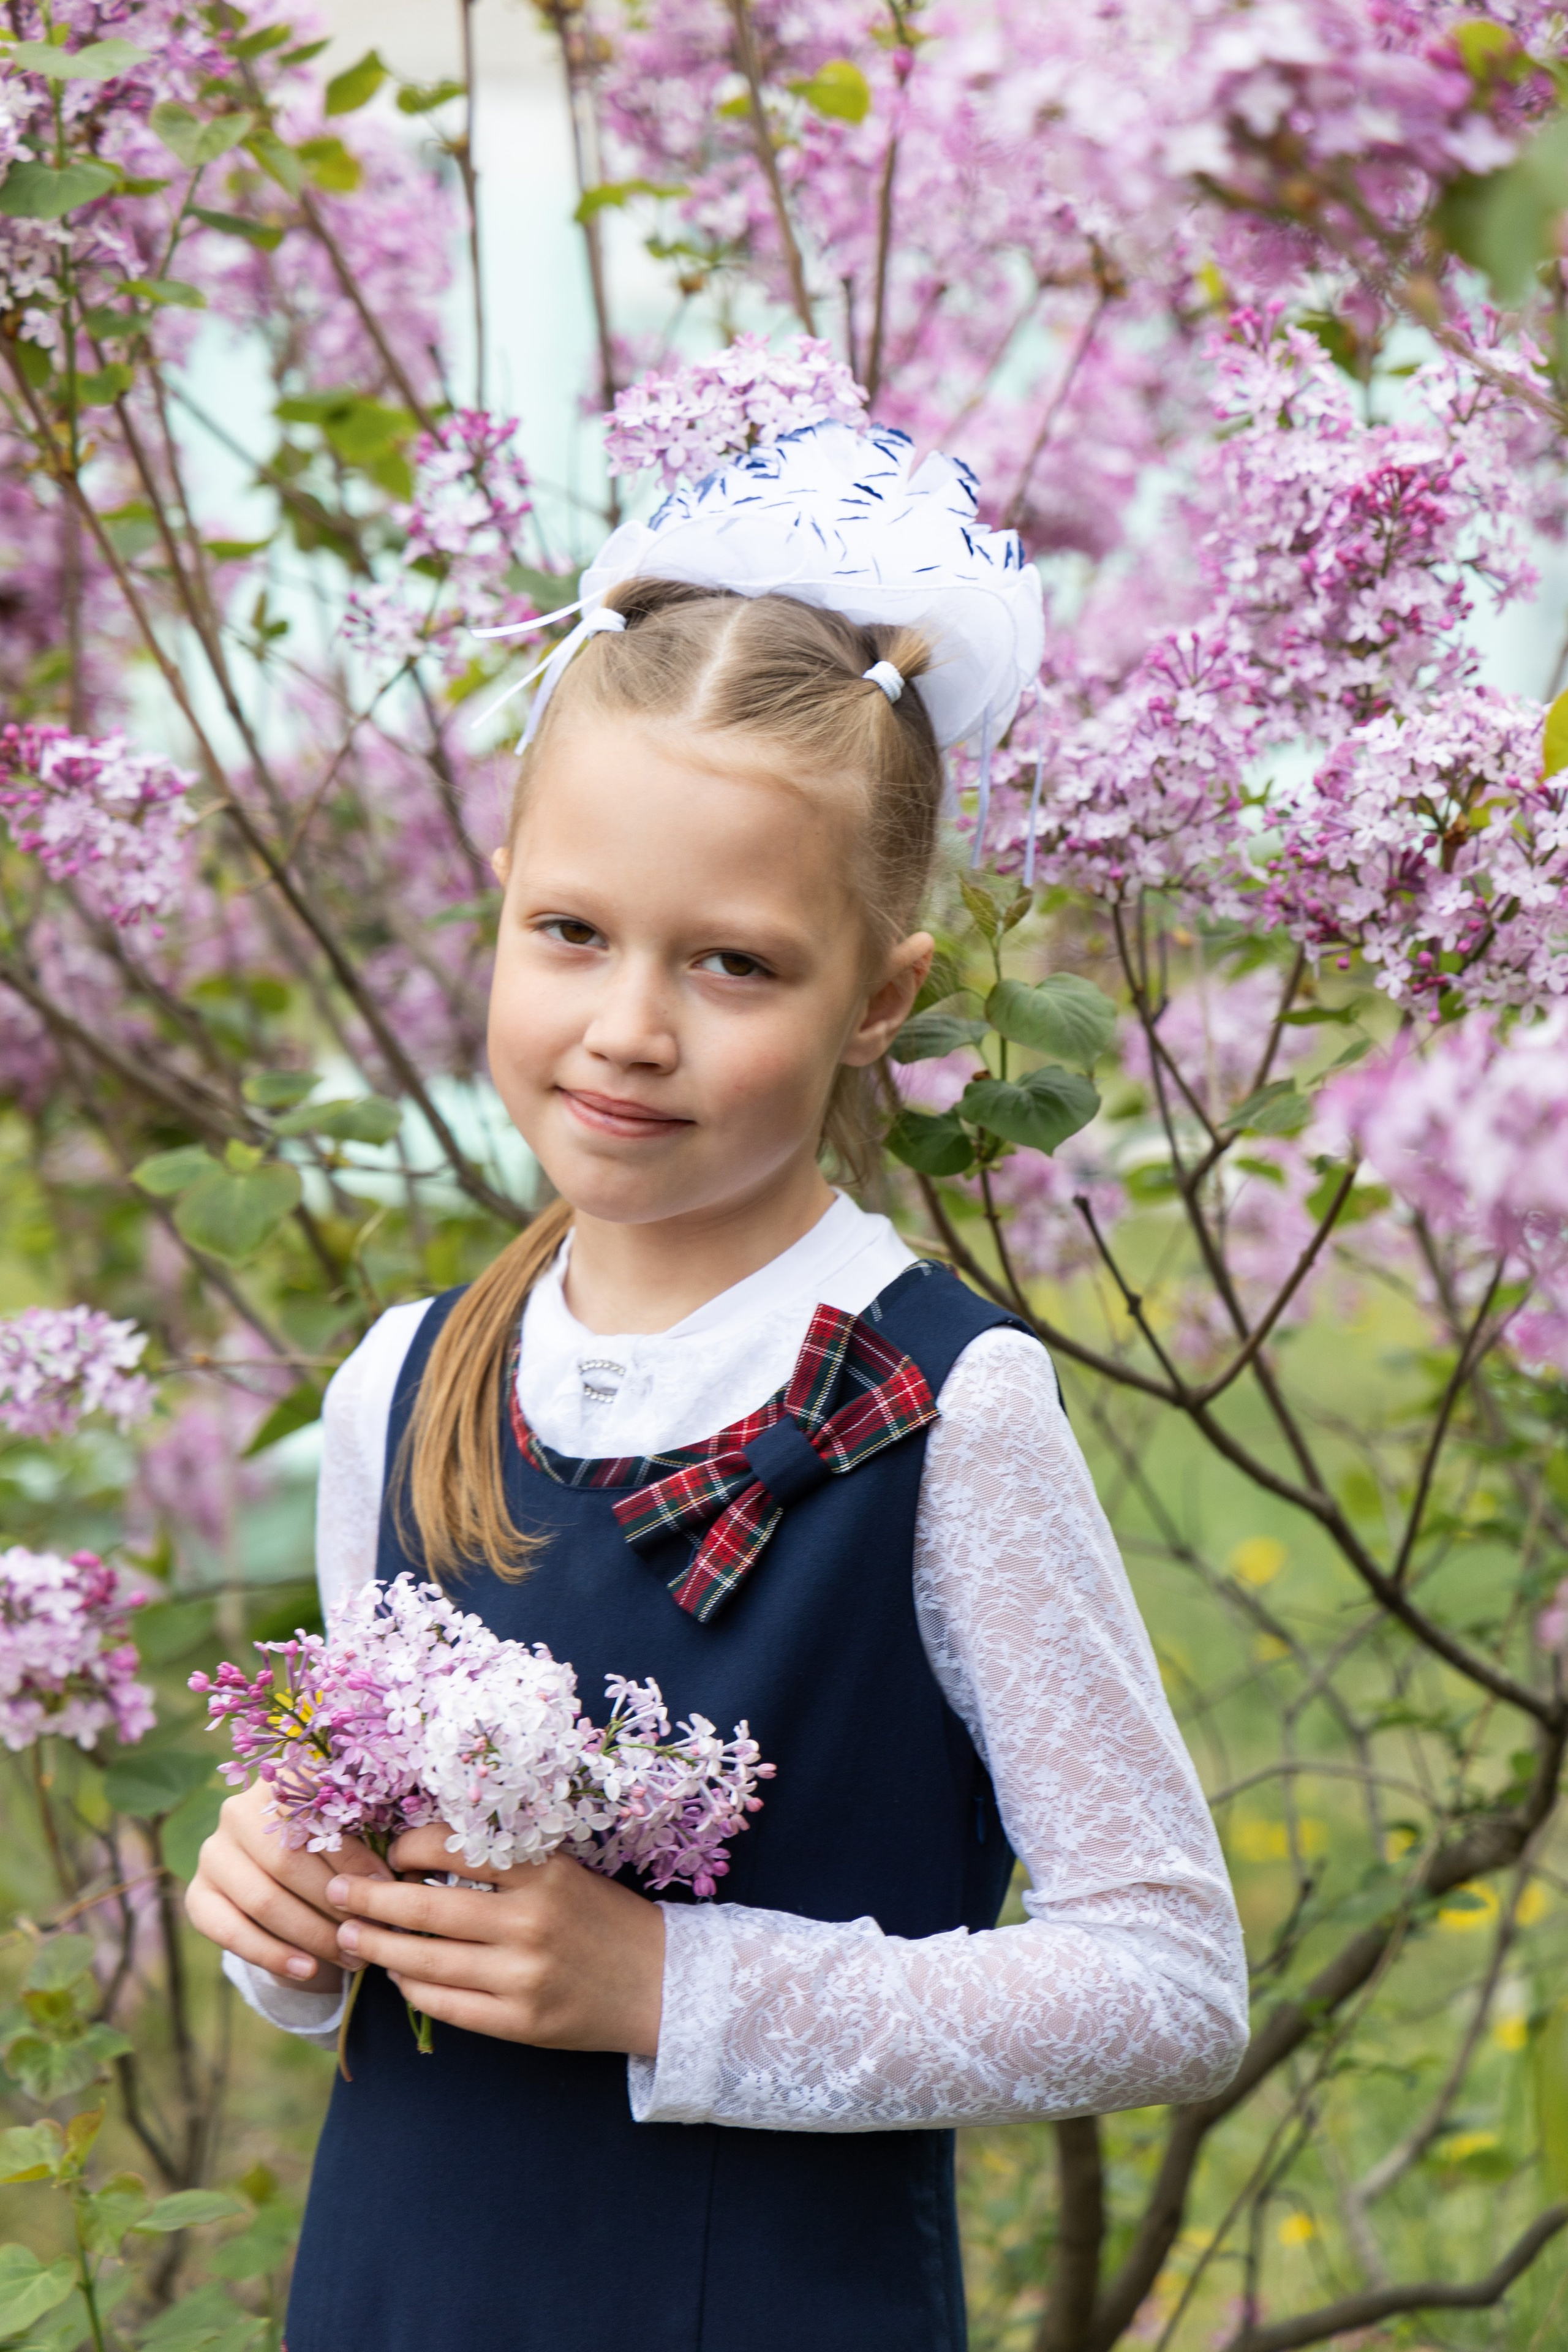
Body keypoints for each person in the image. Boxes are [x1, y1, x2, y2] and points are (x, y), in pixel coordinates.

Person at [186, 424, 1248, 2352]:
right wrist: (283, 1909)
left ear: (878, 999)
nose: (629, 1028)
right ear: (499, 900)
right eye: (570, 933)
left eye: (736, 965)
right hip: (402, 2294)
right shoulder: (403, 1385)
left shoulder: (948, 1411)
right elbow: (364, 1912)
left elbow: (1168, 1977)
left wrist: (677, 1984)